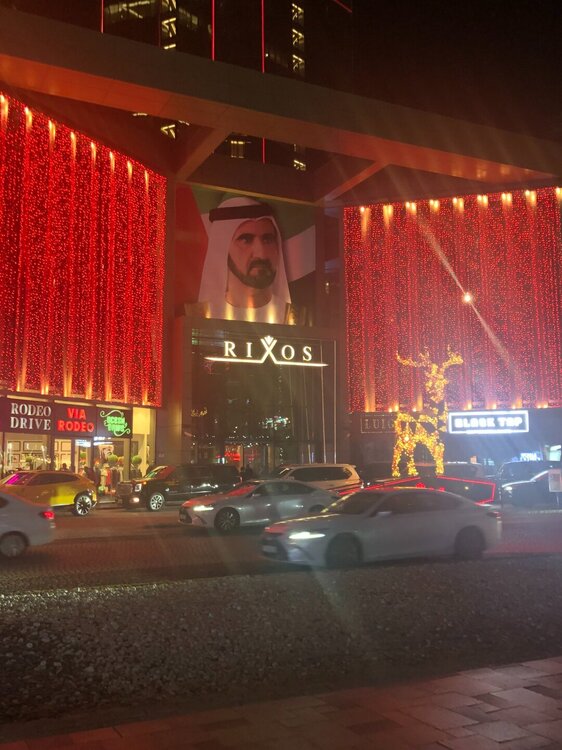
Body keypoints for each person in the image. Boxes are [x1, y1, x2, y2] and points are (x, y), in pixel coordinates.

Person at [198, 197, 290, 323]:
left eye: (267, 240)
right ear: (223, 248)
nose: (261, 254)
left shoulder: (292, 317)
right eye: (246, 240)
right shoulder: (201, 316)